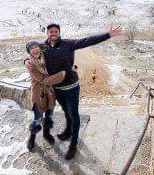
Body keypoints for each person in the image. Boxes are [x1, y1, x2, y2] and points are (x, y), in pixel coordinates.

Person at [41, 23, 123, 160]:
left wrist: (108, 35)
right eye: (50, 31)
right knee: (66, 111)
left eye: (55, 31)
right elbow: (33, 54)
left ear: (59, 33)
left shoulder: (68, 44)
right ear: (47, 33)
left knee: (73, 114)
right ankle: (68, 131)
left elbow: (88, 40)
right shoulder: (43, 47)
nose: (53, 33)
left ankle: (74, 142)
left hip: (71, 87)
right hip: (57, 88)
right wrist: (27, 61)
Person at [24, 40, 66, 151]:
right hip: (39, 93)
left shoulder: (47, 57)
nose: (34, 50)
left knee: (48, 116)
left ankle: (46, 134)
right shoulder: (31, 65)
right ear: (29, 52)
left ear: (40, 47)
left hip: (50, 93)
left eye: (35, 47)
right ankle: (32, 137)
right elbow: (42, 80)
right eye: (31, 49)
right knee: (37, 118)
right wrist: (61, 75)